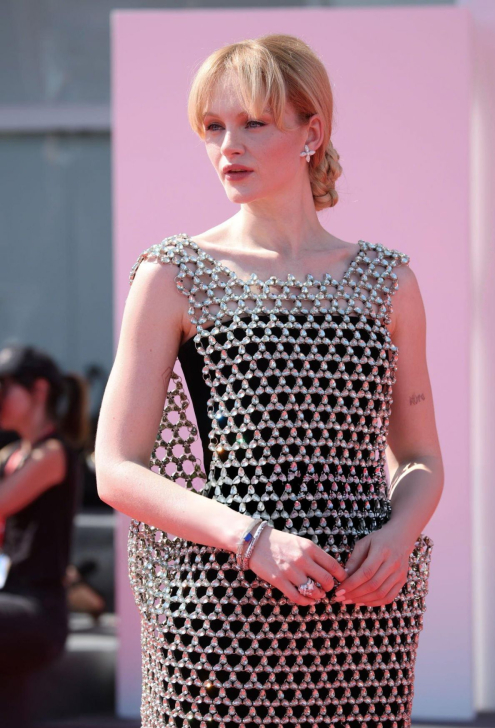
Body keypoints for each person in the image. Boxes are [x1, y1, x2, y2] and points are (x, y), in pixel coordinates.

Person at [96, 33, 444, 727]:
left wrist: (401, 534)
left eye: (253, 123)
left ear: (311, 132)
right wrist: (251, 540)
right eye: (213, 127)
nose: (230, 146)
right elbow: (115, 468)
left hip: (360, 620)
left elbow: (421, 458)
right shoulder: (174, 273)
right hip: (224, 619)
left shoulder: (387, 281)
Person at [0, 343, 89, 727]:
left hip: (37, 611)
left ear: (38, 390)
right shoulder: (11, 455)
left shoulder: (53, 455)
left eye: (3, 388)